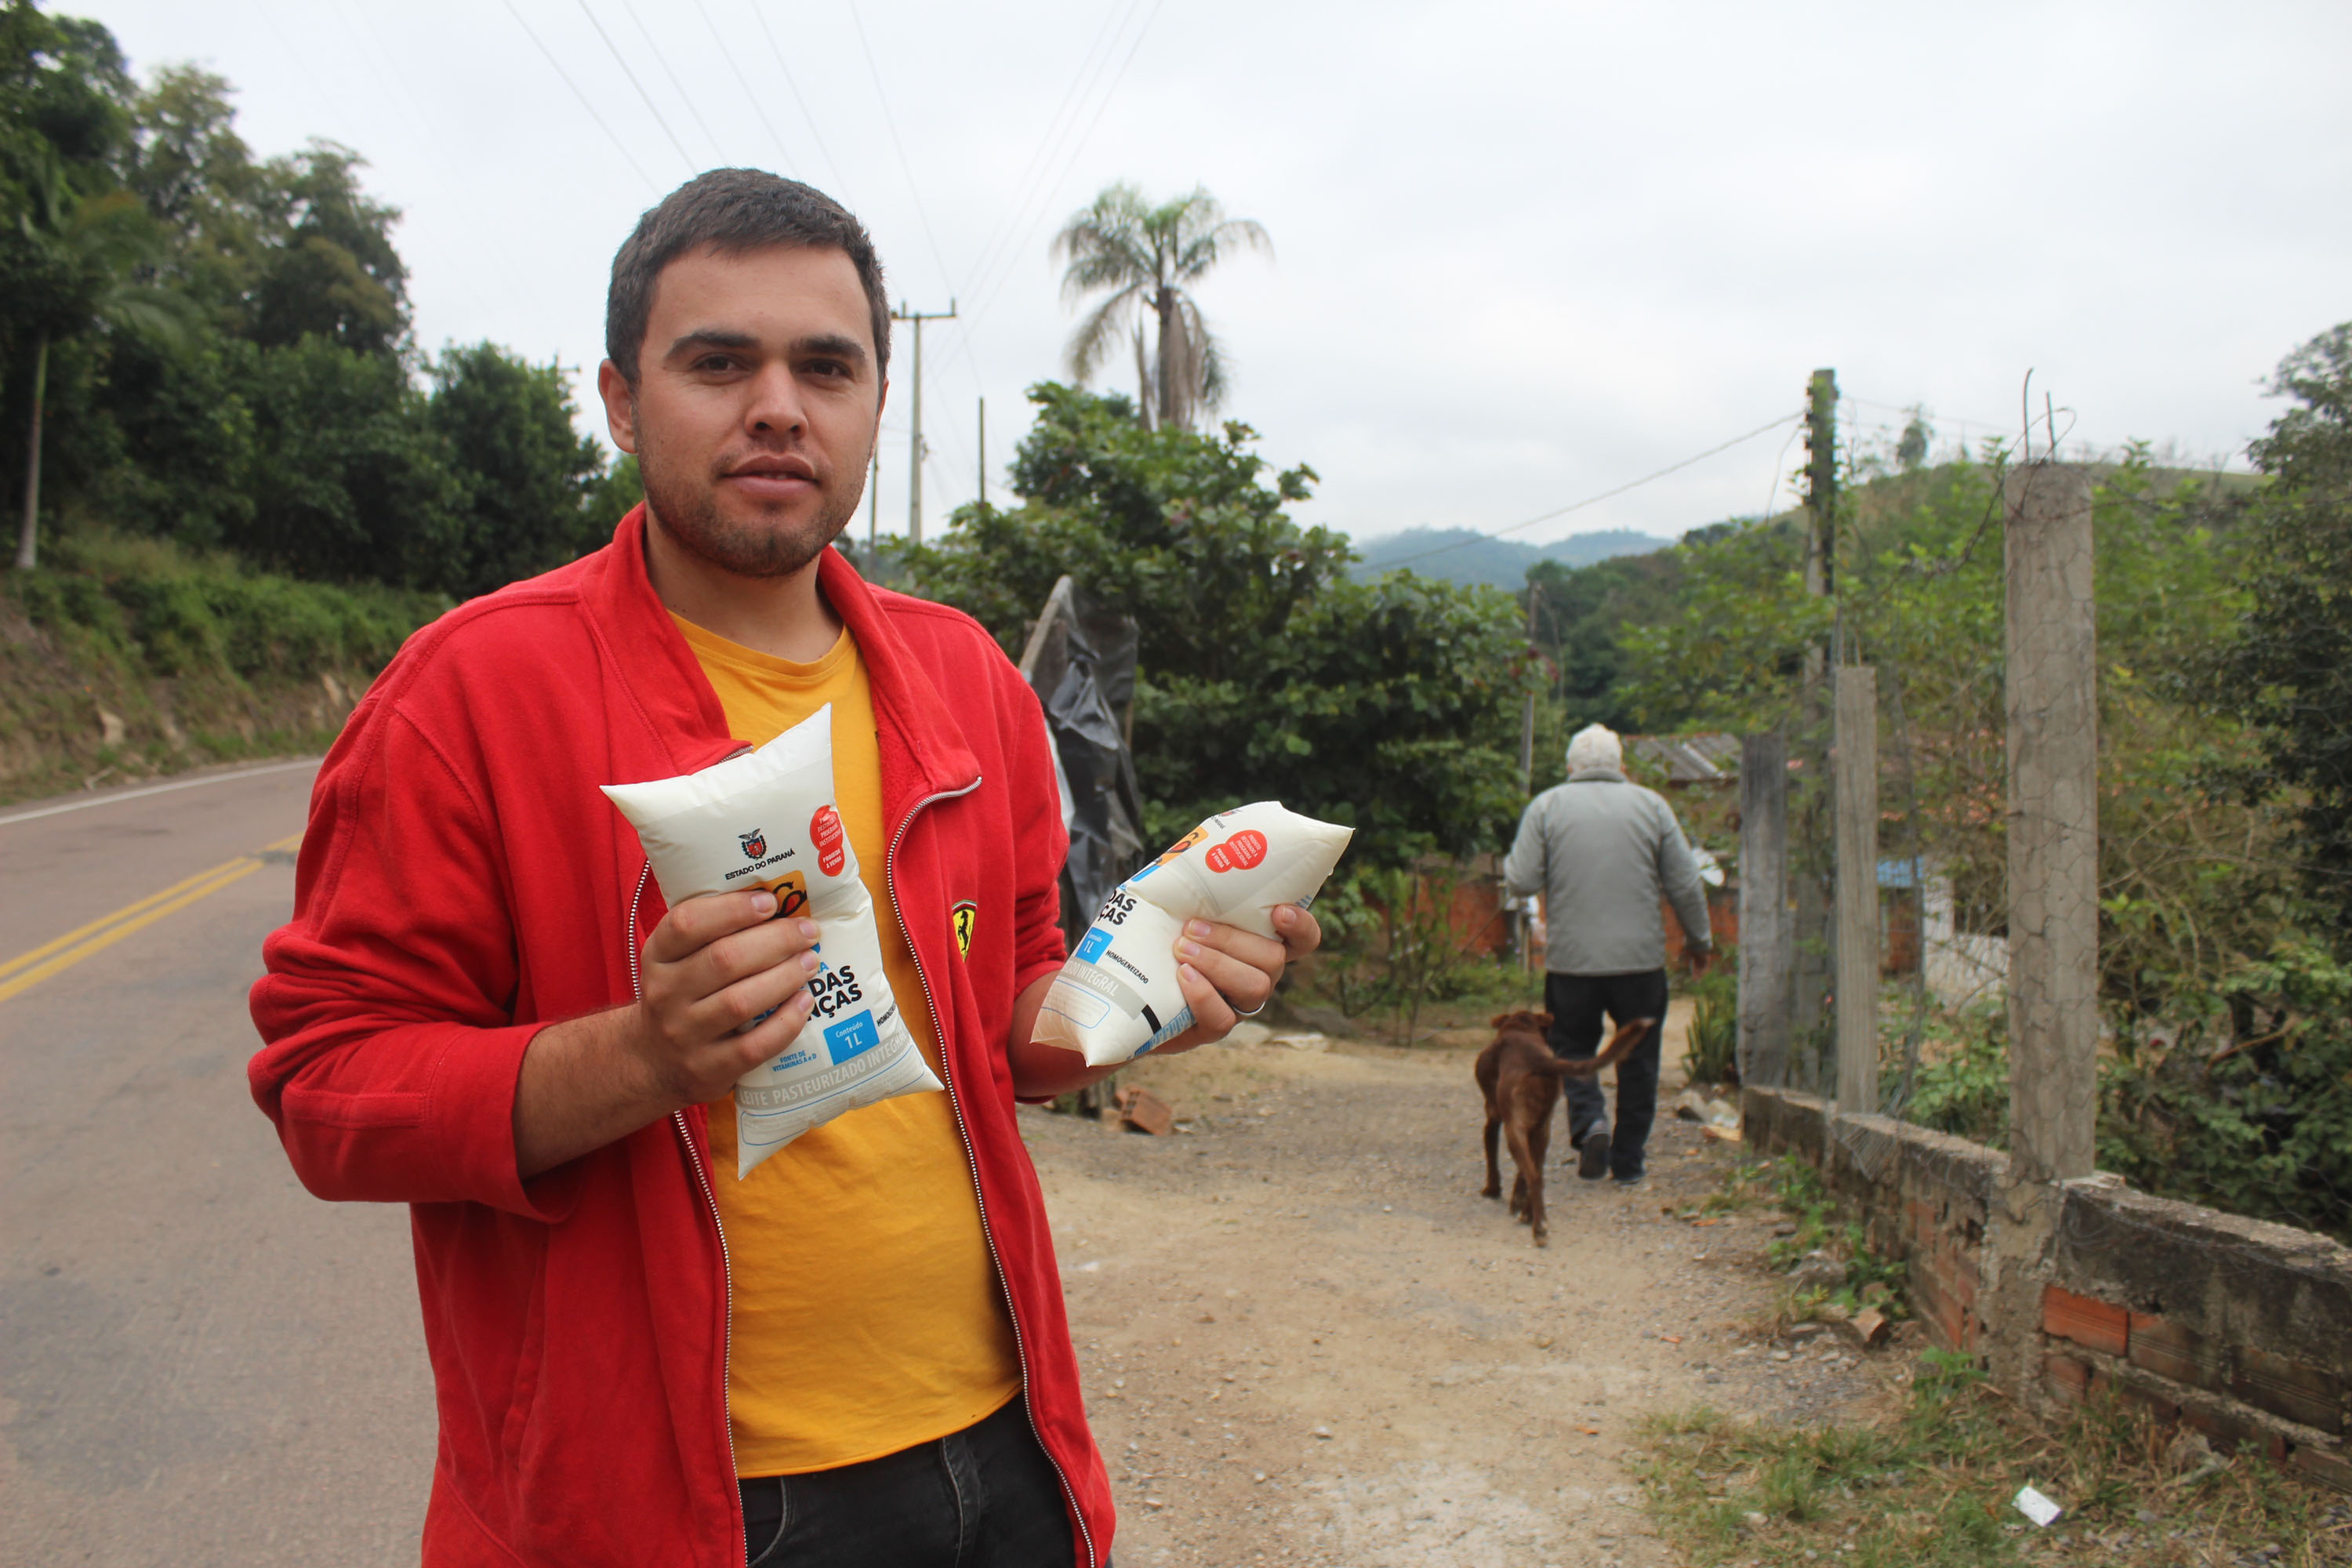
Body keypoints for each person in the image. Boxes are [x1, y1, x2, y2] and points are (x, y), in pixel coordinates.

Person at [247, 169, 1318, 1568]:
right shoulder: (471, 696)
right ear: (622, 401)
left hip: (1002, 1454)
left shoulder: (961, 681)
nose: (777, 405)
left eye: (826, 365)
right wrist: (643, 1054)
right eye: (717, 363)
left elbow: (1004, 1023)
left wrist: (1146, 988)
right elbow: (328, 1089)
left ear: (877, 399)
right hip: (671, 1508)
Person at [1501, 723, 1711, 1187]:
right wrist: (1700, 942)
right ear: (1622, 766)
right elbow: (1685, 883)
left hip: (1572, 964)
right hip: (1641, 963)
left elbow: (1521, 881)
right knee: (1639, 1057)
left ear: (1572, 767)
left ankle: (1590, 1122)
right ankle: (1630, 1161)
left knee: (1572, 1047)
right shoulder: (1653, 805)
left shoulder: (1548, 806)